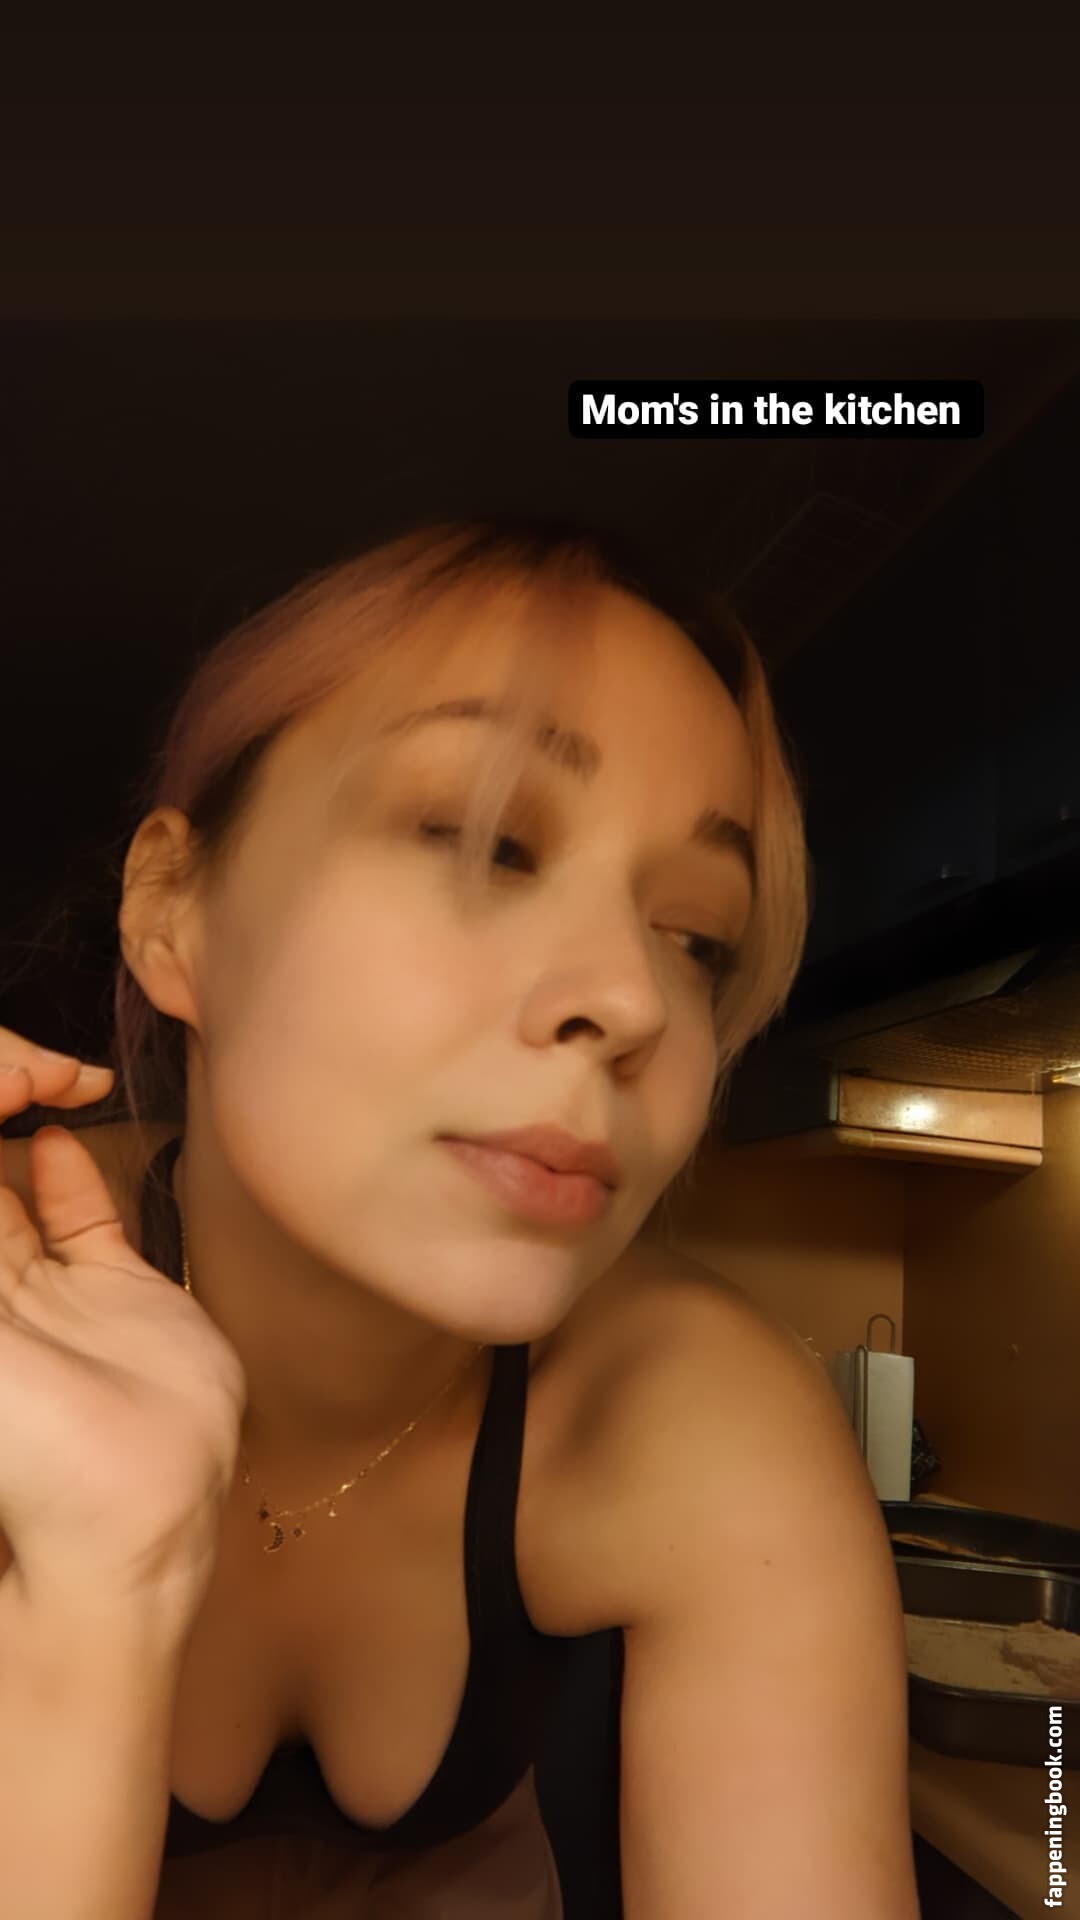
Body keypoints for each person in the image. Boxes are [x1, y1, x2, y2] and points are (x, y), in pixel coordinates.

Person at [0, 516, 921, 1916]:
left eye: (697, 938)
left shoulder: (685, 1407)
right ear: (175, 909)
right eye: (484, 842)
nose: (631, 998)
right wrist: (89, 1604)